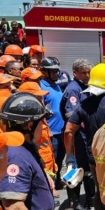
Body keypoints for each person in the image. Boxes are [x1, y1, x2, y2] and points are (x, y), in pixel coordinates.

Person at [64, 63, 105, 210]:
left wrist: (70, 156)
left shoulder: (83, 104)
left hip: (93, 157)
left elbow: (69, 131)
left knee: (100, 192)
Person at [60, 59, 94, 210]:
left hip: (84, 137)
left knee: (86, 170)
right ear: (75, 73)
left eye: (88, 72)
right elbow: (71, 115)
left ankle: (88, 199)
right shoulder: (73, 90)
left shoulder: (84, 87)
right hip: (75, 137)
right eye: (83, 73)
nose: (87, 75)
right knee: (73, 169)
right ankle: (75, 205)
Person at [39, 56, 66, 189]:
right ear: (44, 72)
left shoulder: (56, 86)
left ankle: (57, 181)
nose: (56, 74)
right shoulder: (41, 86)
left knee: (60, 158)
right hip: (51, 131)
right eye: (53, 71)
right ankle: (49, 186)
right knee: (51, 160)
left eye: (57, 71)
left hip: (61, 130)